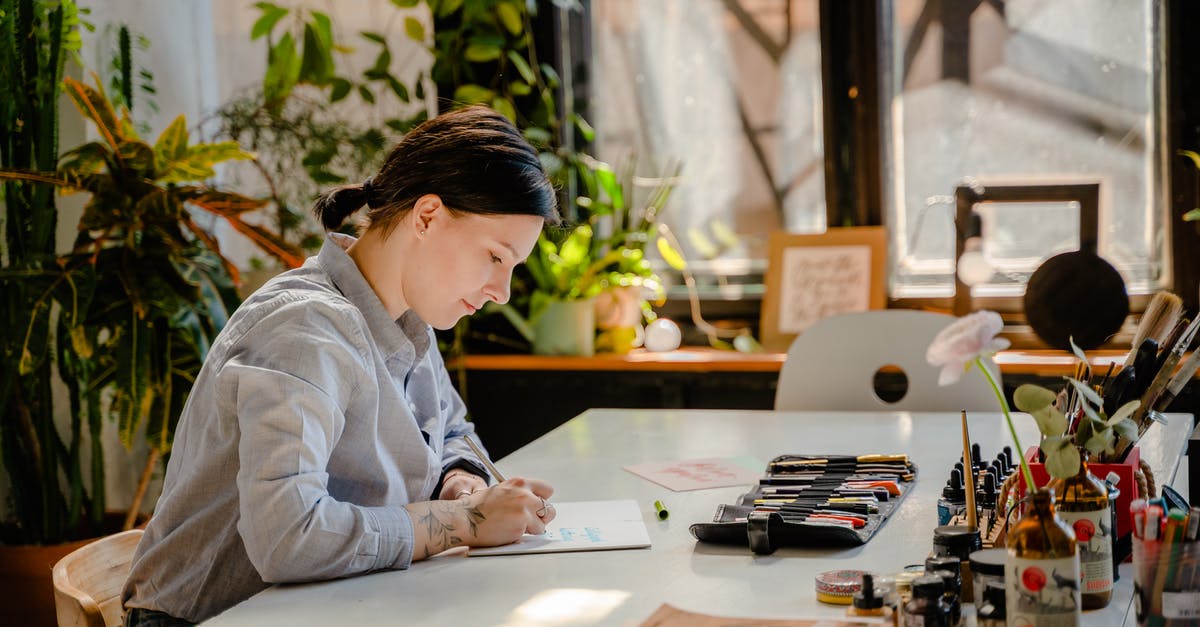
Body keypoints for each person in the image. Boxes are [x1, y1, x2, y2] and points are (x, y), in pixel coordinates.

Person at [122, 106, 562, 626]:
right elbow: (289, 537)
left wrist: (460, 481)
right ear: (427, 217)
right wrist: (463, 521)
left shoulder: (406, 317)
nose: (501, 291)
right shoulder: (304, 330)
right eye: (494, 257)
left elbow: (451, 431)